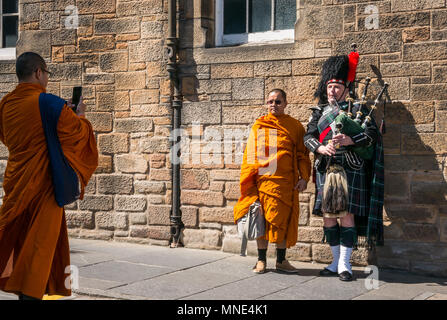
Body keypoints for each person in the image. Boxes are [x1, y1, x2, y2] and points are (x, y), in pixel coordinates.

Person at [0, 52, 98, 299]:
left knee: (16, 238)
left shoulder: (5, 104)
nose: (46, 81)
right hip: (44, 186)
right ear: (38, 73)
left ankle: (23, 286)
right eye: (46, 75)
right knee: (39, 246)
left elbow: (8, 137)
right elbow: (77, 134)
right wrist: (81, 115)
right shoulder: (49, 104)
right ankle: (30, 293)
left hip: (16, 180)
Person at [304, 53, 384, 281]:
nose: (332, 91)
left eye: (337, 86)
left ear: (346, 88)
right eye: (330, 86)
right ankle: (334, 261)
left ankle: (345, 264)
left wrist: (350, 140)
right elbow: (307, 136)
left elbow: (371, 136)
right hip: (326, 167)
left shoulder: (359, 108)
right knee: (328, 216)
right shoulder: (319, 112)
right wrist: (319, 148)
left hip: (351, 167)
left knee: (346, 215)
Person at [234, 89, 311, 274]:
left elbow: (303, 154)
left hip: (286, 183)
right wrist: (249, 182)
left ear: (285, 103)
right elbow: (250, 156)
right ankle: (261, 261)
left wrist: (305, 177)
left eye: (277, 101)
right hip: (262, 182)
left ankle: (281, 260)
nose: (273, 105)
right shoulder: (260, 125)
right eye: (270, 102)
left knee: (282, 222)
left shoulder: (295, 126)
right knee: (262, 220)